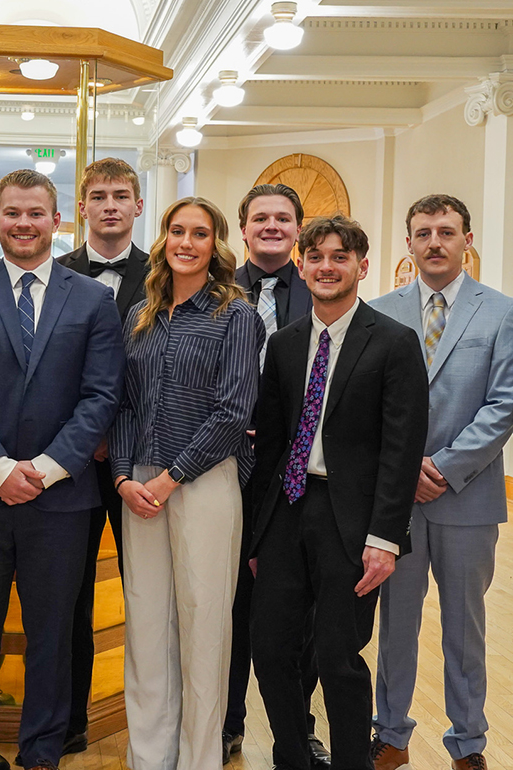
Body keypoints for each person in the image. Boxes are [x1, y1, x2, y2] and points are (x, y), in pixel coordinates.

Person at [0, 169, 124, 770]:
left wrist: (43, 469)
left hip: (61, 500)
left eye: (36, 213)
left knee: (52, 635)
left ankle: (42, 751)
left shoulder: (93, 299)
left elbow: (101, 395)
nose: (23, 224)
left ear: (57, 219)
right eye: (11, 213)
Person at [249, 214, 429, 770]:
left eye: (340, 257)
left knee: (337, 656)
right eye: (317, 257)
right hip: (287, 510)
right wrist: (257, 535)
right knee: (272, 649)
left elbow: (402, 450)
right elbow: (271, 447)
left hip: (351, 520)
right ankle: (293, 757)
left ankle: (353, 760)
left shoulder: (395, 343)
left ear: (362, 266)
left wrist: (386, 537)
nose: (327, 266)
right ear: (301, 267)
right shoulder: (283, 344)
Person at [109, 196, 262, 770]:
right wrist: (123, 477)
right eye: (177, 231)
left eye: (200, 233)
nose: (187, 242)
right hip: (140, 485)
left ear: (216, 244)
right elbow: (124, 403)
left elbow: (232, 412)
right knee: (147, 622)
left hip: (203, 484)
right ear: (163, 239)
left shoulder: (236, 314)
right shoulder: (141, 315)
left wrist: (172, 479)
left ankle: (199, 758)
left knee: (203, 625)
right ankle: (149, 755)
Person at [370, 195, 513, 770]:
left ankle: (469, 744)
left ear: (466, 240)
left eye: (447, 232)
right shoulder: (379, 311)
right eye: (423, 232)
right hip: (395, 502)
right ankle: (392, 736)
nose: (435, 241)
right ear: (408, 243)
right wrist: (404, 471)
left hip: (468, 498)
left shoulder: (501, 313)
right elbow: (365, 404)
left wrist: (446, 467)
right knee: (395, 624)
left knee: (465, 628)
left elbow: (504, 404)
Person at [226, 184, 328, 767]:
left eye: (282, 218)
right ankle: (228, 722)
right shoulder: (216, 291)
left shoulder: (319, 293)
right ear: (243, 228)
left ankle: (300, 724)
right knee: (232, 606)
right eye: (260, 217)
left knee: (303, 614)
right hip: (224, 469)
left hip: (294, 480)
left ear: (297, 229)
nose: (271, 225)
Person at [57, 157, 147, 756]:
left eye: (121, 195)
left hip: (142, 464)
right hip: (67, 462)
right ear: (81, 207)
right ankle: (68, 723)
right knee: (68, 597)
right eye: (98, 195)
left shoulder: (171, 272)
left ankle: (148, 723)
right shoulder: (53, 272)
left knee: (146, 595)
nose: (110, 205)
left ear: (138, 205)